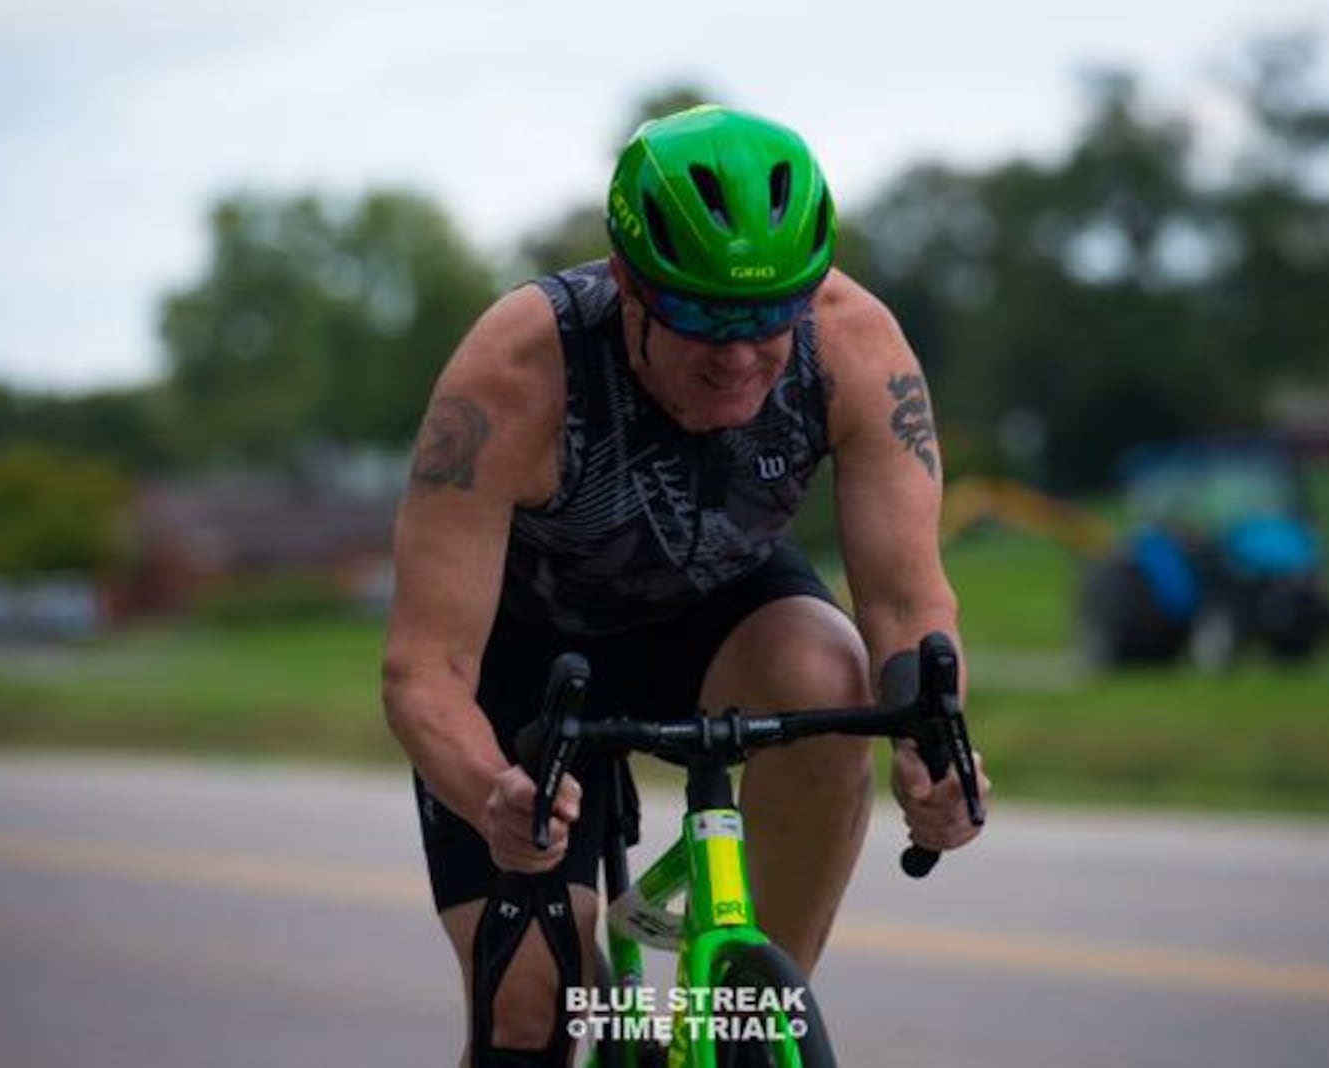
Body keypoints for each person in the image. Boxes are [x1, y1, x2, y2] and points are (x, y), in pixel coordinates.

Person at [382, 104, 990, 1066]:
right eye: (704, 319)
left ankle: (743, 1024)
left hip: (720, 610)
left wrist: (936, 739)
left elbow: (909, 607)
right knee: (533, 1024)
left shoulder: (855, 345)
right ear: (628, 282)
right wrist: (490, 792)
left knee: (835, 680)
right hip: (530, 654)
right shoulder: (514, 372)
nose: (742, 356)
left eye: (768, 317)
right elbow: (424, 666)